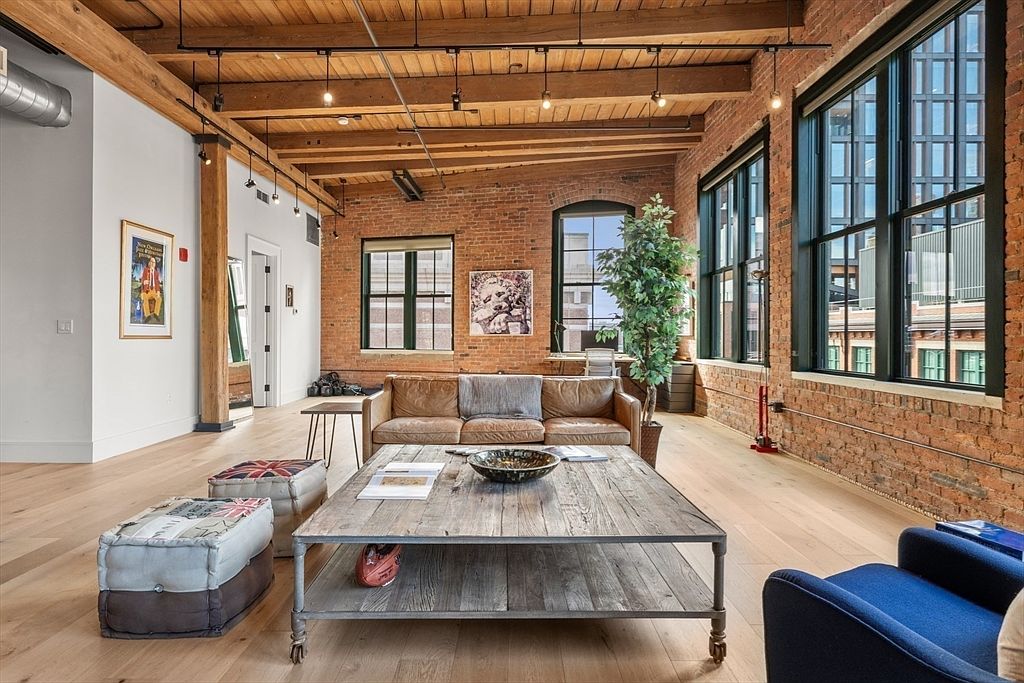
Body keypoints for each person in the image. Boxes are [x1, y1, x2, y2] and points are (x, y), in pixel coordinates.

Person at [139, 256, 162, 322]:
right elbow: (143, 278)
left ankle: (156, 314)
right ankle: (147, 315)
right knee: (145, 298)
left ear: (155, 264)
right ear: (149, 263)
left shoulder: (156, 273)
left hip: (154, 290)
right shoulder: (146, 270)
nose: (152, 263)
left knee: (159, 299)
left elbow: (157, 283)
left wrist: (158, 291)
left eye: (154, 262)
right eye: (151, 262)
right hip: (147, 290)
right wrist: (144, 281)